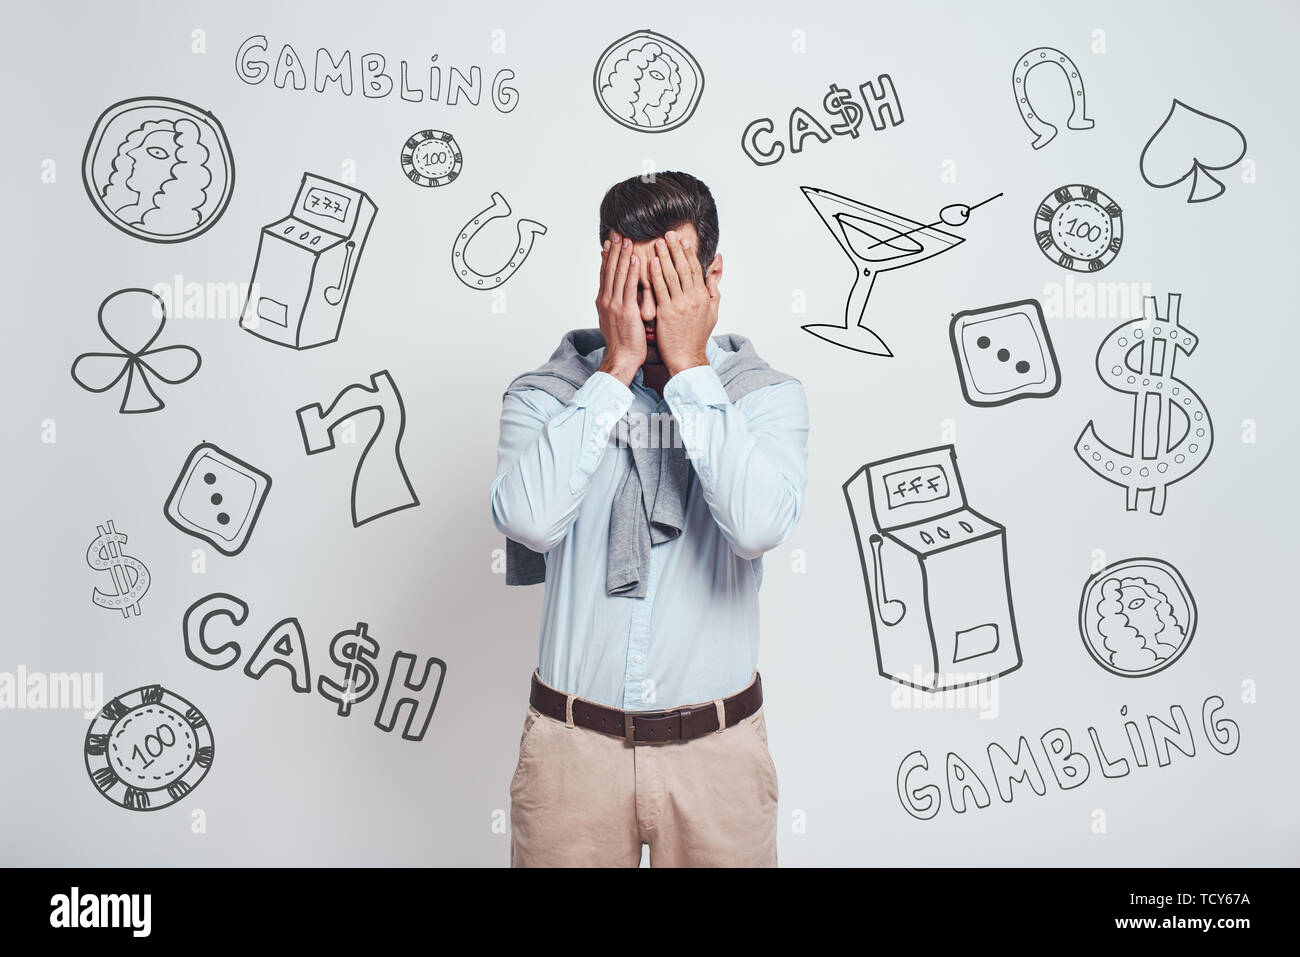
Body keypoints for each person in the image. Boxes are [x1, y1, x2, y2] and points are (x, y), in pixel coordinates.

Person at [489, 171, 809, 867]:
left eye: (673, 279)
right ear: (604, 275)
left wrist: (691, 369)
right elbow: (528, 520)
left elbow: (757, 525)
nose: (655, 304)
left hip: (718, 758)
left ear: (713, 274)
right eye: (638, 280)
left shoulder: (764, 400)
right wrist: (617, 368)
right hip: (572, 754)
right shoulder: (550, 397)